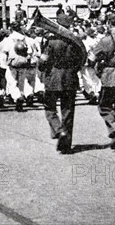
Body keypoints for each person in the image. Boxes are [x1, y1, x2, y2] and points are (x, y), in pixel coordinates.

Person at [38, 15, 84, 154]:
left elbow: (43, 61)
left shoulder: (51, 42)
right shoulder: (76, 42)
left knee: (50, 108)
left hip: (53, 78)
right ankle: (66, 144)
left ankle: (59, 130)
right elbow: (81, 59)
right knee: (68, 111)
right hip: (70, 78)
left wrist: (40, 66)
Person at [88, 15, 115, 151]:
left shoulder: (104, 40)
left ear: (110, 24)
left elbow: (92, 58)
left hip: (108, 76)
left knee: (104, 106)